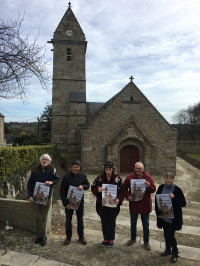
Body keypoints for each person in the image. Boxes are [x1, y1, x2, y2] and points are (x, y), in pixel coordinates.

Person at [119, 162, 156, 251]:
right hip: (134, 204)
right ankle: (133, 238)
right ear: (134, 168)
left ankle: (146, 241)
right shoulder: (130, 177)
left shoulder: (148, 177)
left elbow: (153, 189)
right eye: (137, 168)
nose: (139, 170)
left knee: (145, 225)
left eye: (140, 169)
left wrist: (149, 185)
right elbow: (124, 189)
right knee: (133, 223)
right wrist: (128, 196)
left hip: (145, 204)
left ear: (143, 169)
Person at [27, 154, 60, 246]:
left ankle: (41, 237)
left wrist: (51, 182)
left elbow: (57, 178)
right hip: (35, 197)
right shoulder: (35, 169)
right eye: (43, 159)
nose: (44, 161)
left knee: (44, 217)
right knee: (38, 217)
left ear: (49, 161)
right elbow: (29, 183)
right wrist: (29, 196)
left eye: (46, 160)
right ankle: (41, 236)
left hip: (46, 197)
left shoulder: (52, 169)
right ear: (41, 160)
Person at [155, 172, 186, 263]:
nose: (168, 180)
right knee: (165, 234)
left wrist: (174, 198)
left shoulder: (177, 190)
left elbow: (183, 203)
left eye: (170, 178)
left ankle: (175, 253)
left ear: (173, 179)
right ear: (164, 178)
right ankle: (168, 250)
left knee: (170, 236)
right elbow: (157, 201)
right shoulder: (161, 187)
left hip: (173, 218)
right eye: (167, 178)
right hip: (164, 216)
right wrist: (158, 213)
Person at [91, 161, 123, 247]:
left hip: (113, 205)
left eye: (110, 168)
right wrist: (98, 190)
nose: (108, 169)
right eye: (106, 167)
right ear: (104, 169)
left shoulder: (117, 178)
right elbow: (93, 187)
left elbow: (122, 190)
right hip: (102, 204)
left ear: (113, 169)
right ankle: (105, 238)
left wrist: (119, 199)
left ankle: (111, 239)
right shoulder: (99, 178)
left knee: (112, 221)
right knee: (104, 221)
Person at [60, 159, 90, 245]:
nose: (75, 169)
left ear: (79, 168)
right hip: (69, 203)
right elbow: (62, 191)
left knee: (80, 219)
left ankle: (81, 237)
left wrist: (83, 186)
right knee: (68, 220)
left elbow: (88, 185)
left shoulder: (83, 175)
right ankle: (68, 237)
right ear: (71, 167)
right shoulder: (66, 177)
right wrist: (65, 204)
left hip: (79, 202)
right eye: (74, 167)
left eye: (77, 167)